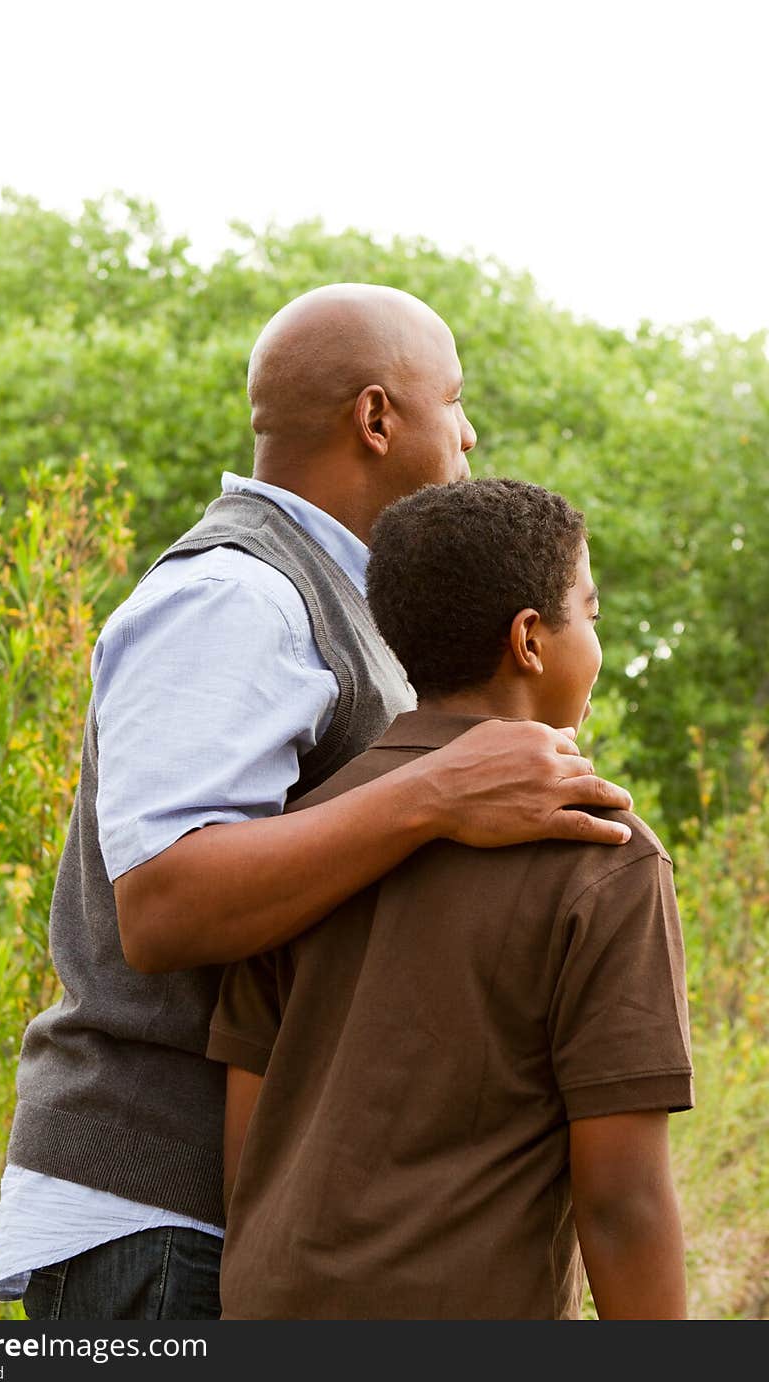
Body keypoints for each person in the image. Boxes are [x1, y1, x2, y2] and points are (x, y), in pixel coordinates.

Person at [0, 284, 634, 1321]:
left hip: (241, 1223)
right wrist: (435, 790)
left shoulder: (337, 603)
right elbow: (162, 903)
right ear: (376, 418)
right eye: (452, 399)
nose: (470, 431)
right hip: (163, 1222)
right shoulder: (236, 595)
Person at [208, 477, 694, 1321]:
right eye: (592, 612)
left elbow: (250, 1153)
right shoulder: (604, 854)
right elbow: (622, 1204)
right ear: (531, 642)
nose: (599, 639)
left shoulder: (296, 841)